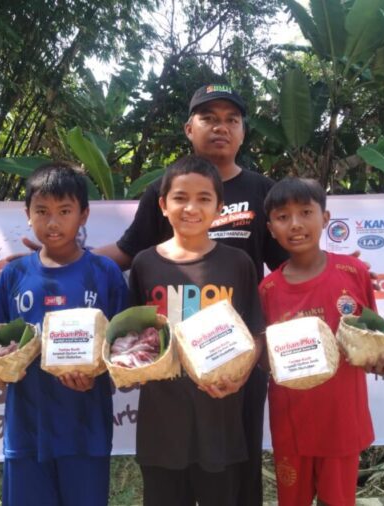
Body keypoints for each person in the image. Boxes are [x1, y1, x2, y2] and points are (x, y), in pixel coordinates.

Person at [94, 83, 285, 505]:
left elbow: (288, 263)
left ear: (243, 131)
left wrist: (337, 270)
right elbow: (128, 252)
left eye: (231, 119)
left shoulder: (263, 191)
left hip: (236, 365)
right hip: (171, 382)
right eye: (209, 118)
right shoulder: (162, 192)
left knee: (236, 472)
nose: (221, 127)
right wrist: (66, 257)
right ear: (189, 128)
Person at [0, 161, 128, 506]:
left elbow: (121, 352)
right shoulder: (13, 276)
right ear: (27, 214)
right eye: (42, 211)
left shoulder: (105, 273)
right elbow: (1, 345)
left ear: (84, 215)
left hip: (85, 429)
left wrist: (96, 374)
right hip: (26, 428)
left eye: (64, 211)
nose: (53, 222)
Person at [128, 155, 265, 506]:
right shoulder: (144, 263)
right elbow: (132, 339)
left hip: (220, 420)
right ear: (163, 205)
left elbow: (256, 333)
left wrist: (242, 374)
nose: (191, 208)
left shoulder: (238, 263)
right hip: (161, 426)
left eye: (204, 198)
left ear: (219, 208)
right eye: (180, 198)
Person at [259, 177, 384, 506]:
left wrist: (381, 360)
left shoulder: (354, 272)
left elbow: (373, 340)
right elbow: (264, 361)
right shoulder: (268, 290)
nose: (295, 224)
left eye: (306, 212)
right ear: (271, 229)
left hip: (341, 421)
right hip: (291, 423)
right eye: (283, 217)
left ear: (325, 218)